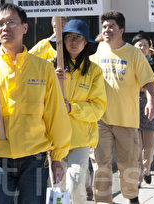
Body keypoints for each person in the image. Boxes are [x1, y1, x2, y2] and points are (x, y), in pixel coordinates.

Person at [0, 3, 72, 203]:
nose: (5, 28)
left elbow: (56, 115)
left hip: (35, 158)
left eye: (11, 22)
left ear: (24, 27)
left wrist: (57, 157)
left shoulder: (42, 68)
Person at [90, 11, 154, 204]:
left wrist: (151, 101)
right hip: (100, 119)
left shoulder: (134, 54)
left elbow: (148, 82)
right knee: (100, 164)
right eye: (104, 27)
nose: (107, 30)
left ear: (121, 30)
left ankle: (131, 197)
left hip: (127, 120)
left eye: (111, 27)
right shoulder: (96, 50)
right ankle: (103, 201)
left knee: (127, 164)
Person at [52, 19, 107, 204]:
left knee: (76, 188)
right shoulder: (50, 67)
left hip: (80, 140)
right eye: (68, 37)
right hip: (53, 140)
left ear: (86, 43)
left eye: (78, 37)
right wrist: (52, 77)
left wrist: (71, 108)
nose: (73, 42)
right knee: (57, 190)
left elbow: (98, 108)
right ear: (62, 41)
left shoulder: (94, 72)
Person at [131, 33, 154, 185]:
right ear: (133, 47)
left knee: (150, 147)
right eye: (139, 45)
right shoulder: (128, 64)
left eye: (145, 45)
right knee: (136, 147)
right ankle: (138, 177)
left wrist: (146, 87)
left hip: (150, 110)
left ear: (149, 49)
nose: (142, 48)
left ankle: (147, 169)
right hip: (132, 110)